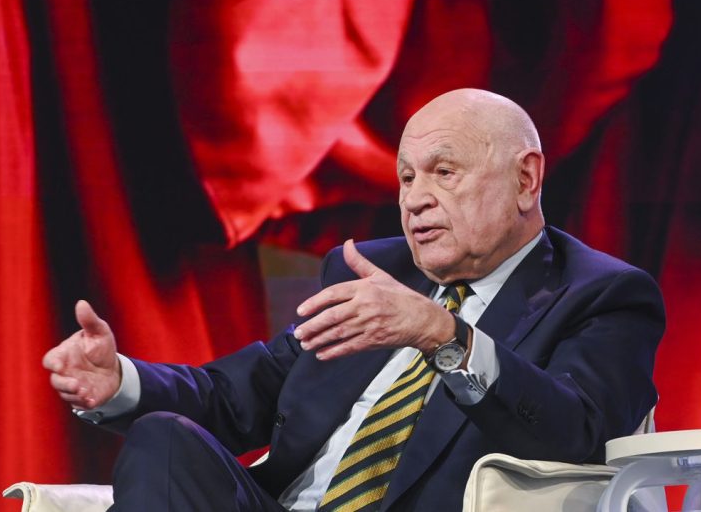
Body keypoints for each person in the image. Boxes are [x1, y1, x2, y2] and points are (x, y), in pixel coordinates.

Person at [42, 88, 664, 511]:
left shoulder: (603, 295)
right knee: (164, 439)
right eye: (406, 177)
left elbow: (574, 435)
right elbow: (238, 396)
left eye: (444, 172)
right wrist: (119, 383)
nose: (415, 199)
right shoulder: (371, 271)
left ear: (526, 179)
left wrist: (445, 337)